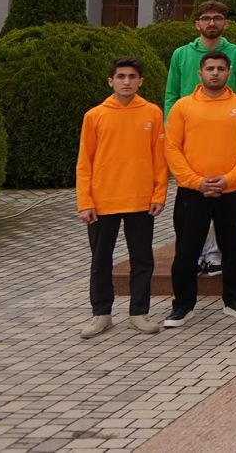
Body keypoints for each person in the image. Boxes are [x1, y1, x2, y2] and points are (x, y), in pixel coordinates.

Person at [162, 50, 236, 327]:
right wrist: (196, 181)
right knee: (187, 250)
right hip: (193, 191)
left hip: (232, 190)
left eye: (220, 68)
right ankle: (182, 305)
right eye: (210, 68)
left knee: (234, 248)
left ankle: (235, 300)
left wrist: (232, 178)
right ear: (200, 73)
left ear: (229, 73)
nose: (215, 73)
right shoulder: (183, 107)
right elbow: (172, 147)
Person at [77, 57, 167, 338]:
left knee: (142, 259)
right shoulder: (95, 115)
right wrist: (85, 202)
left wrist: (159, 193)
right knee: (100, 260)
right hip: (103, 202)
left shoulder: (152, 113)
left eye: (132, 76)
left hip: (141, 199)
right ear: (110, 81)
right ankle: (101, 313)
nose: (126, 81)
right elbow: (84, 162)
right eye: (121, 76)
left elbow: (159, 159)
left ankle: (139, 313)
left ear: (141, 81)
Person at [164, 0, 236, 278]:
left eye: (217, 18)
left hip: (226, 136)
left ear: (225, 23)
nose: (211, 22)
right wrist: (171, 130)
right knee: (193, 208)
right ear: (197, 24)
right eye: (206, 18)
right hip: (190, 137)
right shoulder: (181, 54)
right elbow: (171, 93)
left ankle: (216, 256)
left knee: (227, 211)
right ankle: (198, 256)